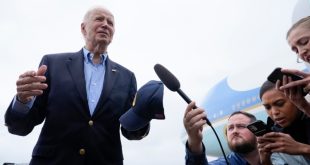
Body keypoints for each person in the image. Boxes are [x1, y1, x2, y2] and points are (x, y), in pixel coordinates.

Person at [4, 6, 150, 165]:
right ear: (83, 28)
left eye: (110, 22)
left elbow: (130, 132)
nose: (105, 24)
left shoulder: (127, 77)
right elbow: (20, 127)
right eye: (99, 19)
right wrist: (22, 101)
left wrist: (144, 114)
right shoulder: (53, 65)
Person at [184, 101, 261, 165]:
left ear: (256, 131)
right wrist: (194, 141)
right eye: (230, 128)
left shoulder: (272, 156)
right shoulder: (223, 163)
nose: (234, 131)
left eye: (241, 126)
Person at [257, 80, 310, 165]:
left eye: (280, 104)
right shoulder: (273, 137)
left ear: (295, 98)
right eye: (267, 107)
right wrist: (265, 160)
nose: (274, 112)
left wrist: (302, 149)